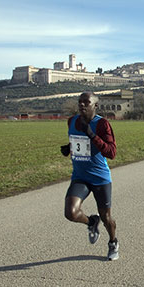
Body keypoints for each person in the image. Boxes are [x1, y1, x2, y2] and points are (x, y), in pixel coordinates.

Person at [60, 92, 119, 261]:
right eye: (80, 102)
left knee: (106, 217)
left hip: (100, 178)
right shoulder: (72, 121)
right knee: (71, 213)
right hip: (80, 176)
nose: (82, 105)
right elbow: (78, 142)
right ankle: (91, 222)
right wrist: (68, 148)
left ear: (95, 105)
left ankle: (113, 242)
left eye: (87, 102)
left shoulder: (102, 124)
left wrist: (92, 134)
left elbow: (111, 152)